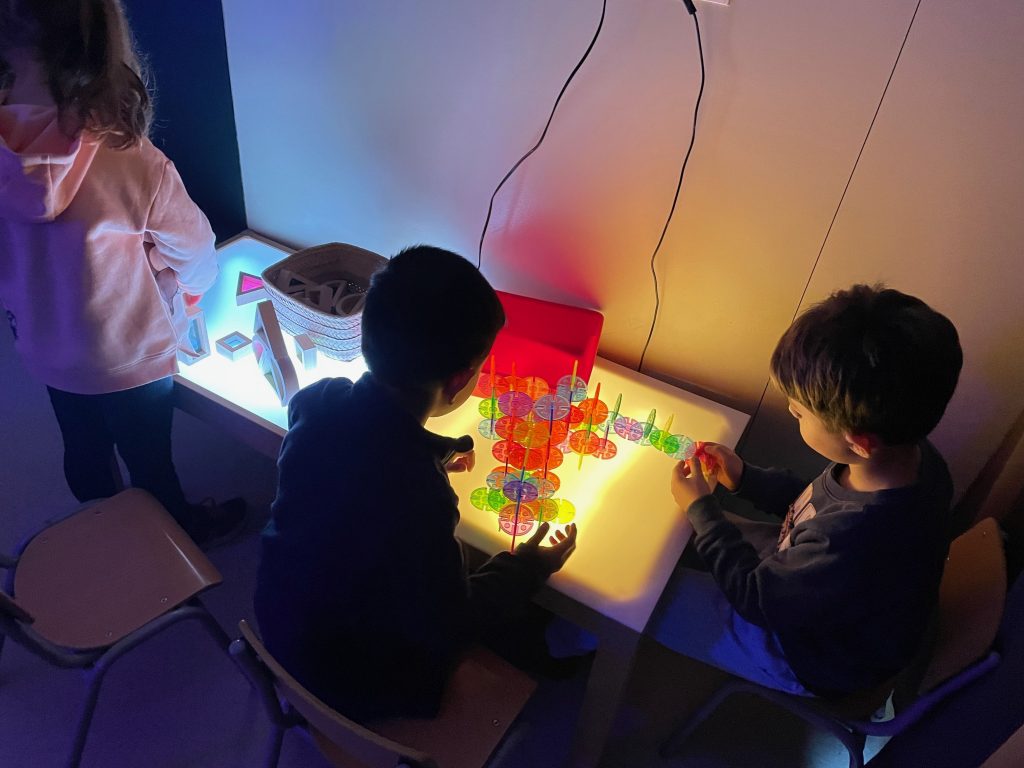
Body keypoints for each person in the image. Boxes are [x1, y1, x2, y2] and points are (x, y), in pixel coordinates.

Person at [255, 245, 578, 723]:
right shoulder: (422, 496)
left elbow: (361, 450)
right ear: (460, 380)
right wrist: (529, 566)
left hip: (280, 630)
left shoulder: (317, 401)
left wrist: (434, 451)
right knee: (509, 603)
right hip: (355, 684)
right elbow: (451, 624)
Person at [0, 0, 245, 546]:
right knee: (150, 460)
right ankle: (173, 537)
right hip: (127, 358)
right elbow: (195, 249)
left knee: (83, 449)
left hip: (45, 347)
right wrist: (189, 292)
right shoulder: (131, 159)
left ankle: (103, 530)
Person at [653, 284, 962, 698]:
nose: (790, 411)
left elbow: (757, 599)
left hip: (807, 655)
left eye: (798, 412)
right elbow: (817, 505)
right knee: (676, 536)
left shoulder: (856, 538)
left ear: (858, 442)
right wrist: (747, 478)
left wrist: (703, 509)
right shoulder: (906, 458)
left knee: (647, 601)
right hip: (813, 585)